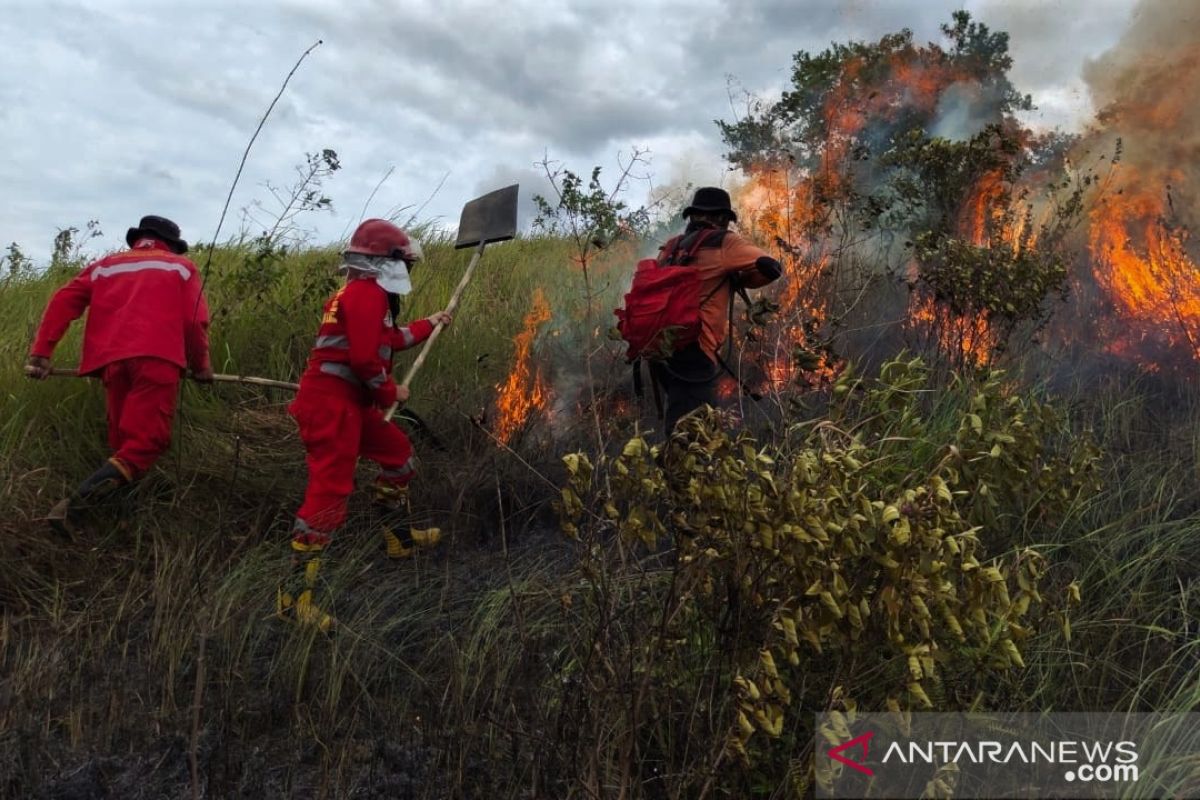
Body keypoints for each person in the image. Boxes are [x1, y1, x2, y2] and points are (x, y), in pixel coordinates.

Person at [278, 218, 451, 631]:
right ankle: (293, 600)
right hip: (330, 406)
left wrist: (433, 322)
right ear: (386, 262)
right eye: (405, 262)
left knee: (399, 457)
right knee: (329, 495)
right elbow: (362, 360)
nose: (408, 270)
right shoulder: (364, 294)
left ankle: (398, 540)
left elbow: (388, 341)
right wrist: (390, 394)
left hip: (351, 405)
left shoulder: (368, 295)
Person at [25, 215, 213, 535]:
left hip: (111, 363)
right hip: (157, 360)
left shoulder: (105, 266)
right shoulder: (181, 268)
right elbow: (194, 321)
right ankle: (74, 508)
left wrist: (41, 353)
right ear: (171, 244)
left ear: (139, 238)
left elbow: (62, 301)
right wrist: (201, 366)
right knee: (146, 442)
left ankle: (122, 523)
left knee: (123, 443)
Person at [649, 187, 783, 434]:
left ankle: (679, 468)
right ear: (722, 218)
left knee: (682, 416)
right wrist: (740, 279)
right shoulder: (724, 242)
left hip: (660, 350)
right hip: (695, 350)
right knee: (692, 435)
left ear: (692, 216)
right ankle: (677, 470)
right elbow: (772, 267)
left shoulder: (671, 248)